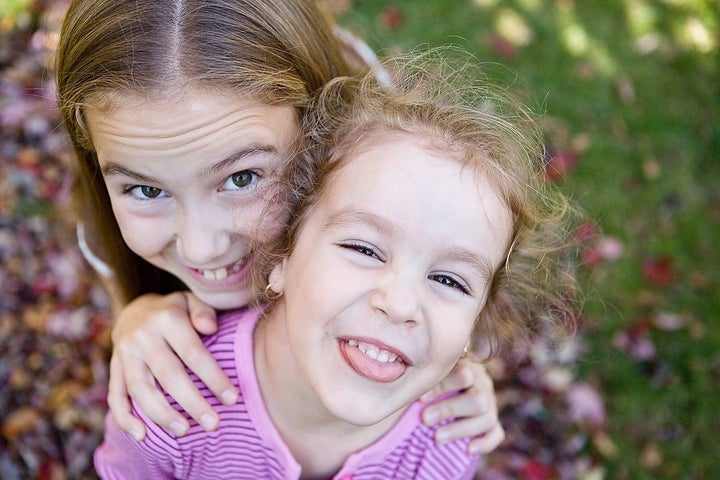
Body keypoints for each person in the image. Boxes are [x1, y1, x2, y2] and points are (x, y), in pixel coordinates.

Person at [93, 51, 578, 479]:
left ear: (476, 323)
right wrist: (131, 318)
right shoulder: (167, 402)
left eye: (449, 279)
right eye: (365, 249)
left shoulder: (445, 448)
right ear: (281, 255)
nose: (401, 303)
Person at [55, 0, 504, 455]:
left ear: (323, 139)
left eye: (242, 178)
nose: (201, 248)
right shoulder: (102, 227)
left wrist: (455, 371)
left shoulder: (378, 150)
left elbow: (430, 251)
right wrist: (134, 318)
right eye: (147, 190)